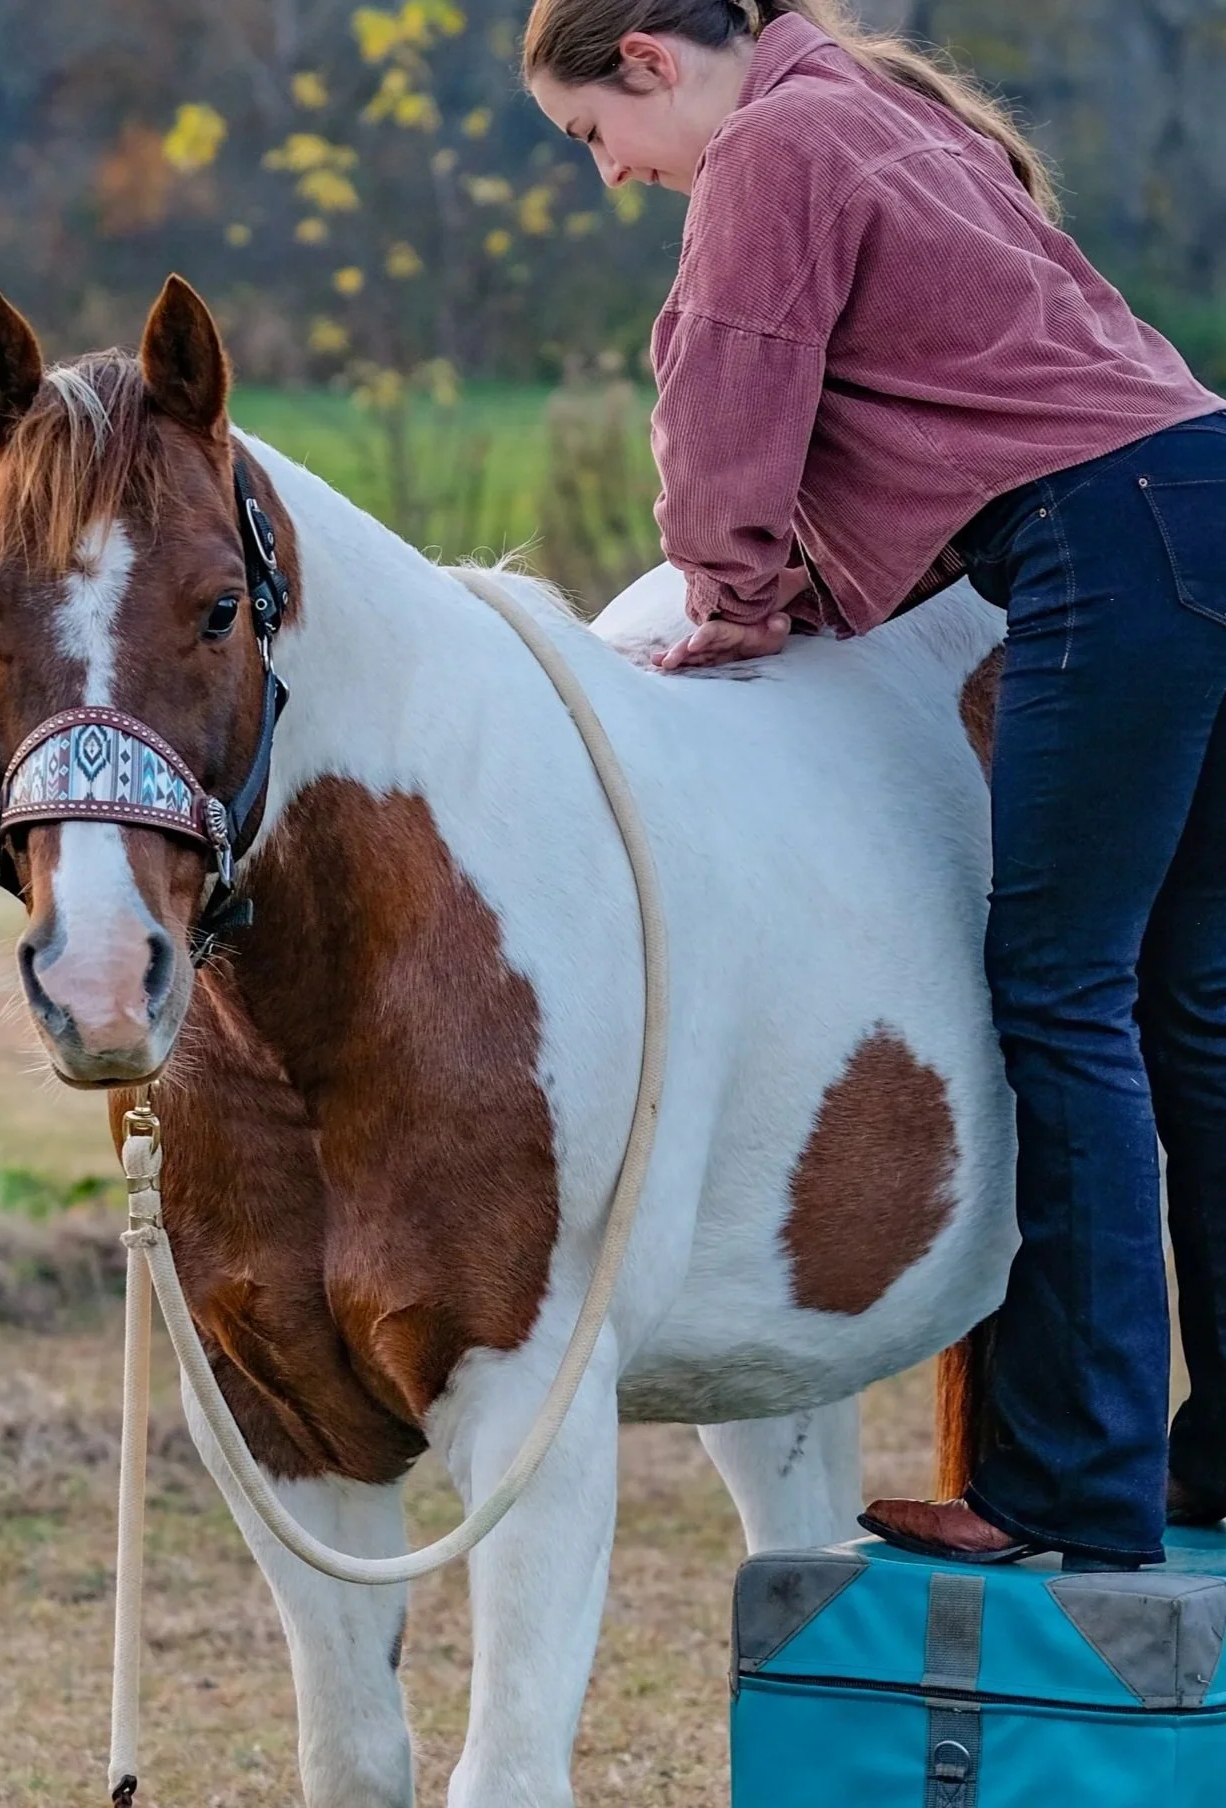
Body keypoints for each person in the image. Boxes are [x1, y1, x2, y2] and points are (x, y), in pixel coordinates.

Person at [525, 0, 1226, 1571]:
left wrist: (727, 608)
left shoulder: (773, 144)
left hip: (1106, 553)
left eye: (595, 136)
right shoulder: (881, 106)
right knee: (1197, 1010)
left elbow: (726, 402)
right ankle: (1217, 1456)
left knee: (1061, 998)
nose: (613, 176)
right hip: (1206, 498)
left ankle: (1074, 1490)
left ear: (648, 54)